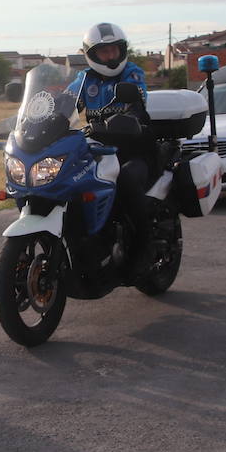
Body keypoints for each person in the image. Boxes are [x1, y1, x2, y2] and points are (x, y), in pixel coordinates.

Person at [64, 23, 153, 272]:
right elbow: (66, 104)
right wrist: (44, 117)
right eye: (104, 52)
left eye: (114, 50)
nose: (110, 57)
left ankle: (142, 251)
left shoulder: (132, 74)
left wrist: (129, 114)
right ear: (91, 55)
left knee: (125, 181)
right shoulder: (85, 80)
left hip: (134, 148)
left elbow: (137, 101)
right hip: (98, 149)